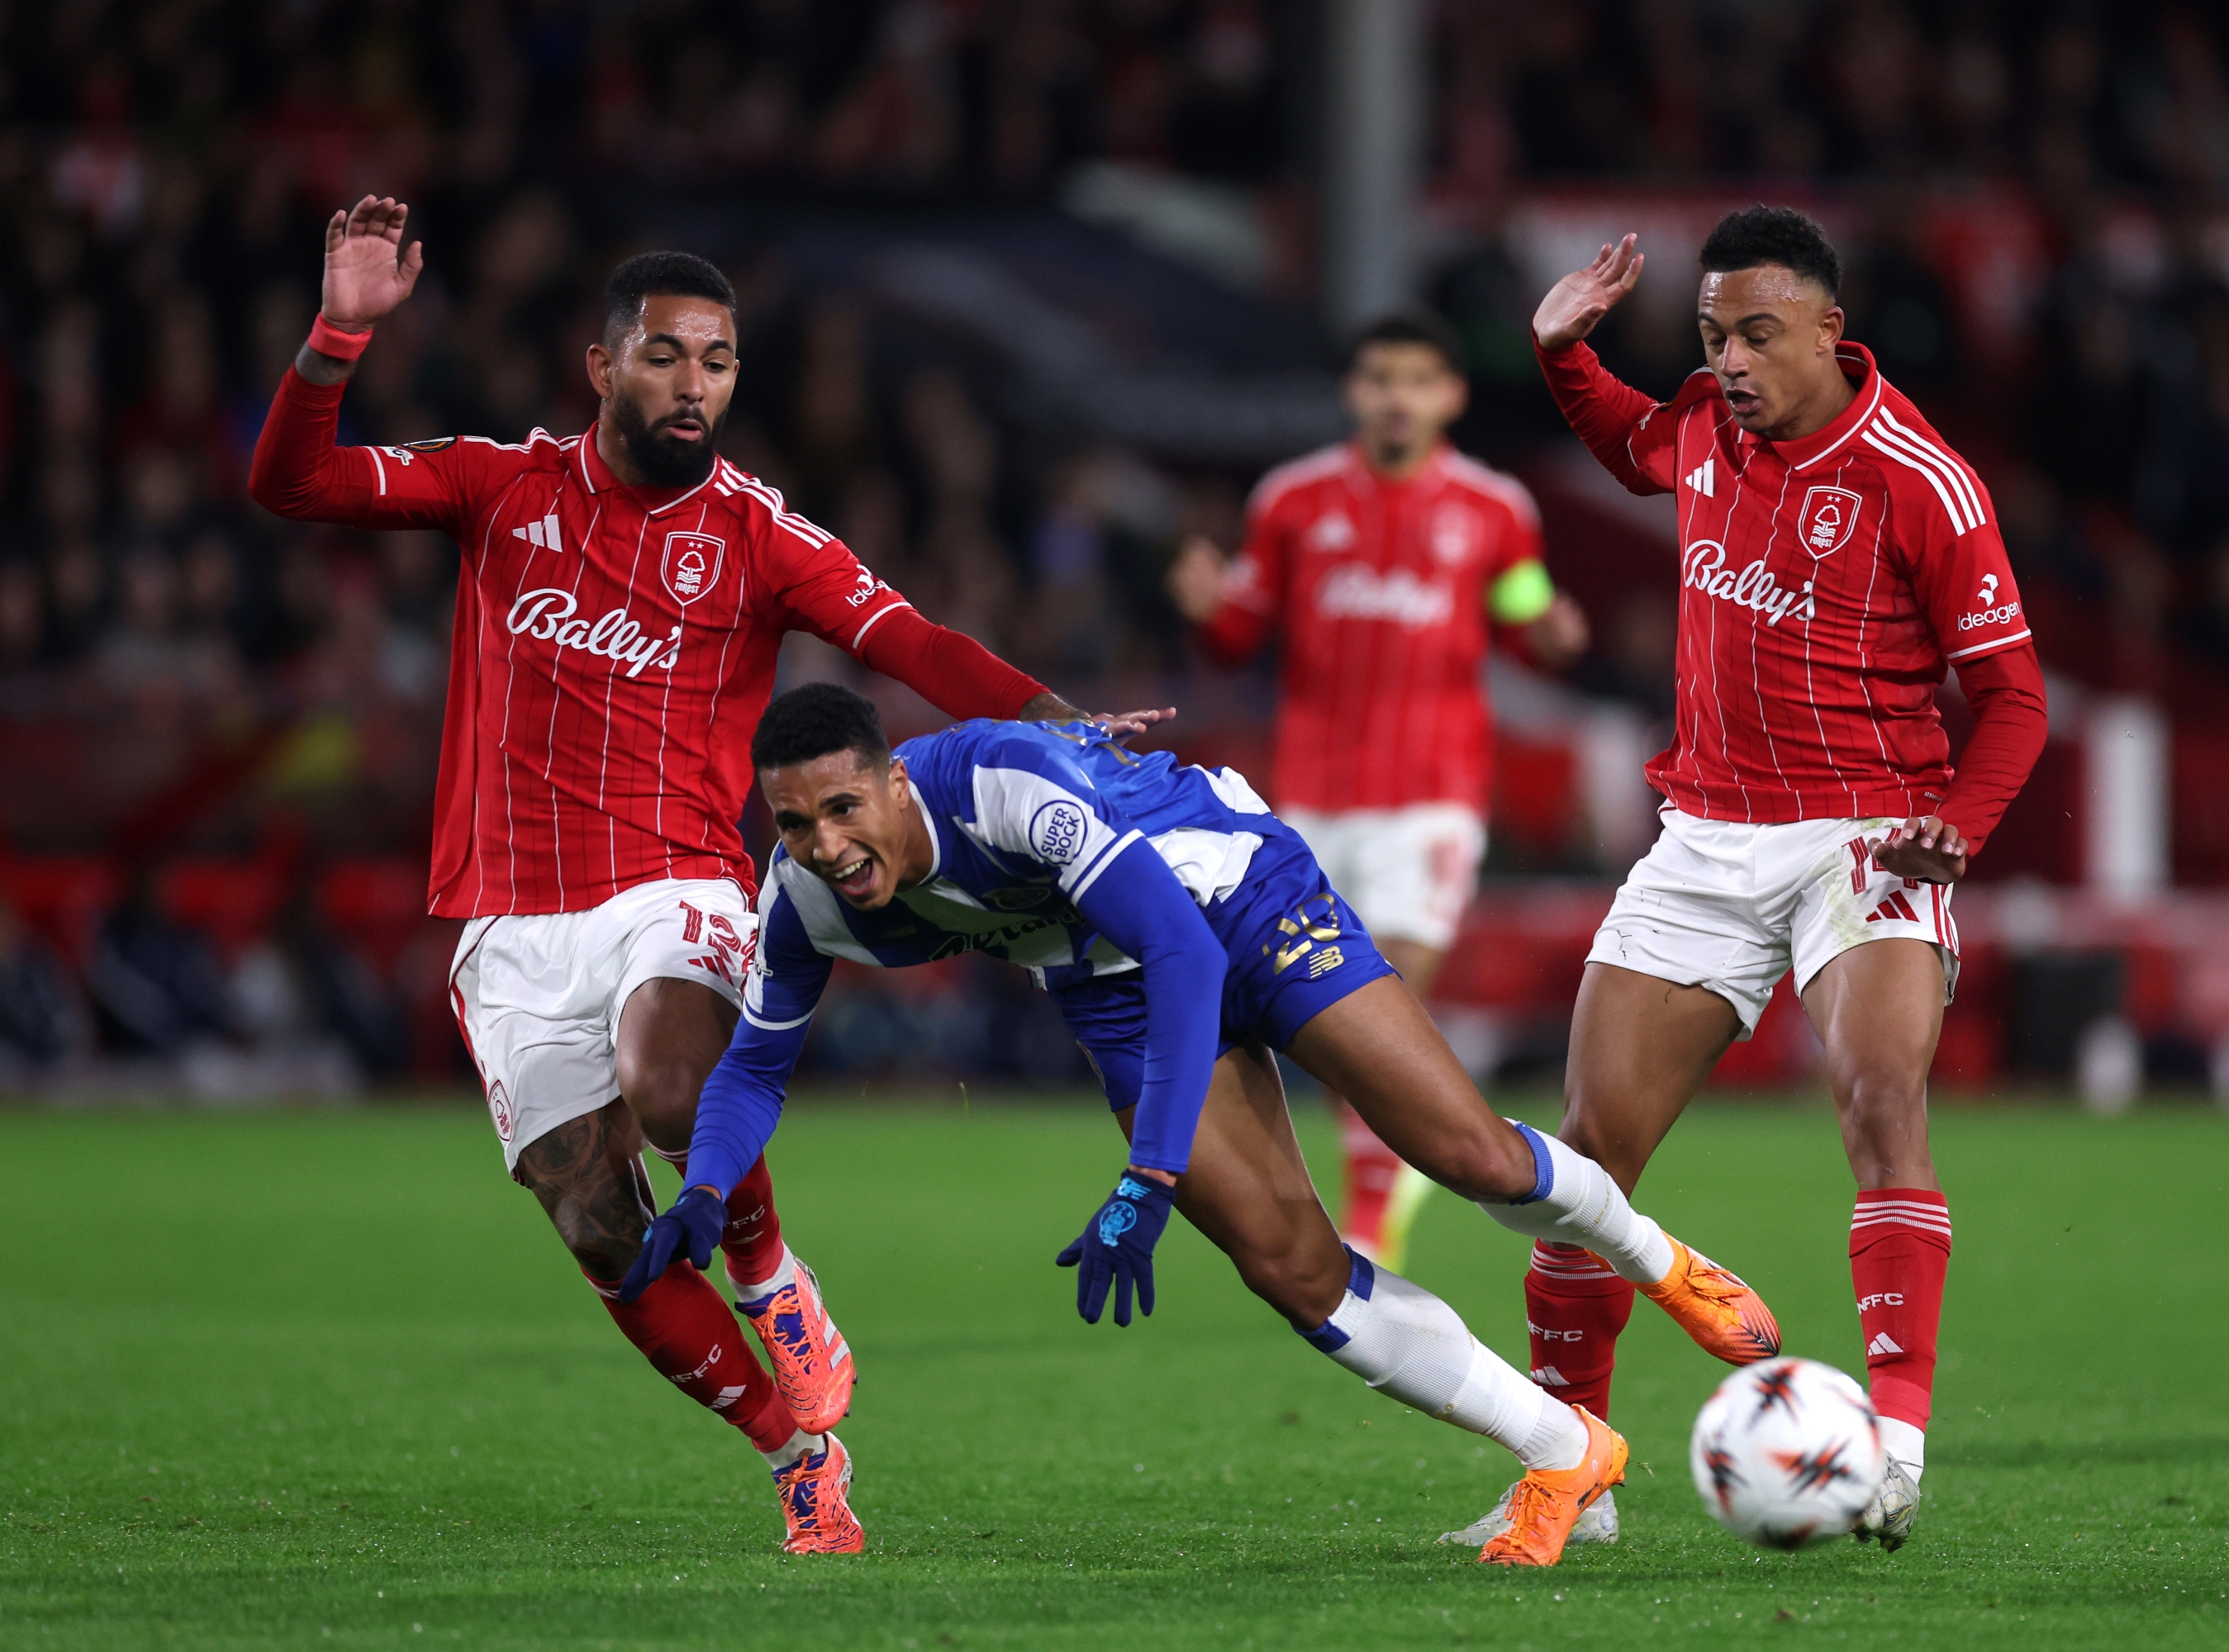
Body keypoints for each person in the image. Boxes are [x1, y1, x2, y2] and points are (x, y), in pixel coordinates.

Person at [248, 197, 1159, 1555]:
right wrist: (337, 338)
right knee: (591, 1211)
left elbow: (913, 639)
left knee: (673, 1080)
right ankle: (795, 1451)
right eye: (667, 356)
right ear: (602, 365)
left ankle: (768, 1271)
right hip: (505, 911)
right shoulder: (503, 487)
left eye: (718, 361)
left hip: (672, 877)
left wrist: (1058, 723)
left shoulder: (757, 533)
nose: (694, 385)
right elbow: (292, 485)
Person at [619, 683, 1784, 1569]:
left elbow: (1180, 950)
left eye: (841, 809)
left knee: (1463, 1153)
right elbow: (755, 1065)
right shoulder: (804, 898)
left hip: (1234, 897)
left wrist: (1149, 1174)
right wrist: (709, 1189)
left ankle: (1660, 1262)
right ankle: (1561, 1450)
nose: (825, 845)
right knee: (1287, 1267)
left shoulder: (1003, 786)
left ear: (891, 783)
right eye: (794, 822)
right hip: (1106, 982)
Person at [1442, 206, 2048, 1554]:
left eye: (1755, 335)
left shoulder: (1918, 479)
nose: (1725, 360)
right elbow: (1627, 442)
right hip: (1706, 837)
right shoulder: (1706, 429)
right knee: (1583, 1162)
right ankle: (1568, 1475)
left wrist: (1955, 823)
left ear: (1832, 334)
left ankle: (1888, 1448)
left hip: (1866, 835)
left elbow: (2011, 697)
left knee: (1879, 1095)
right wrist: (1562, 359)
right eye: (1712, 334)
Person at [1166, 311, 1589, 1272]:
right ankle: (1379, 1182)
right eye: (1377, 378)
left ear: (1450, 395)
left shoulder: (1492, 509)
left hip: (1431, 798)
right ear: (1354, 393)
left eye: (1415, 379)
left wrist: (1551, 635)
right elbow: (1242, 628)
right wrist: (1206, 610)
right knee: (1325, 1013)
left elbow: (1524, 614)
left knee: (1382, 988)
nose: (1395, 397)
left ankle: (1368, 1213)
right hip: (1307, 802)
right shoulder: (1292, 501)